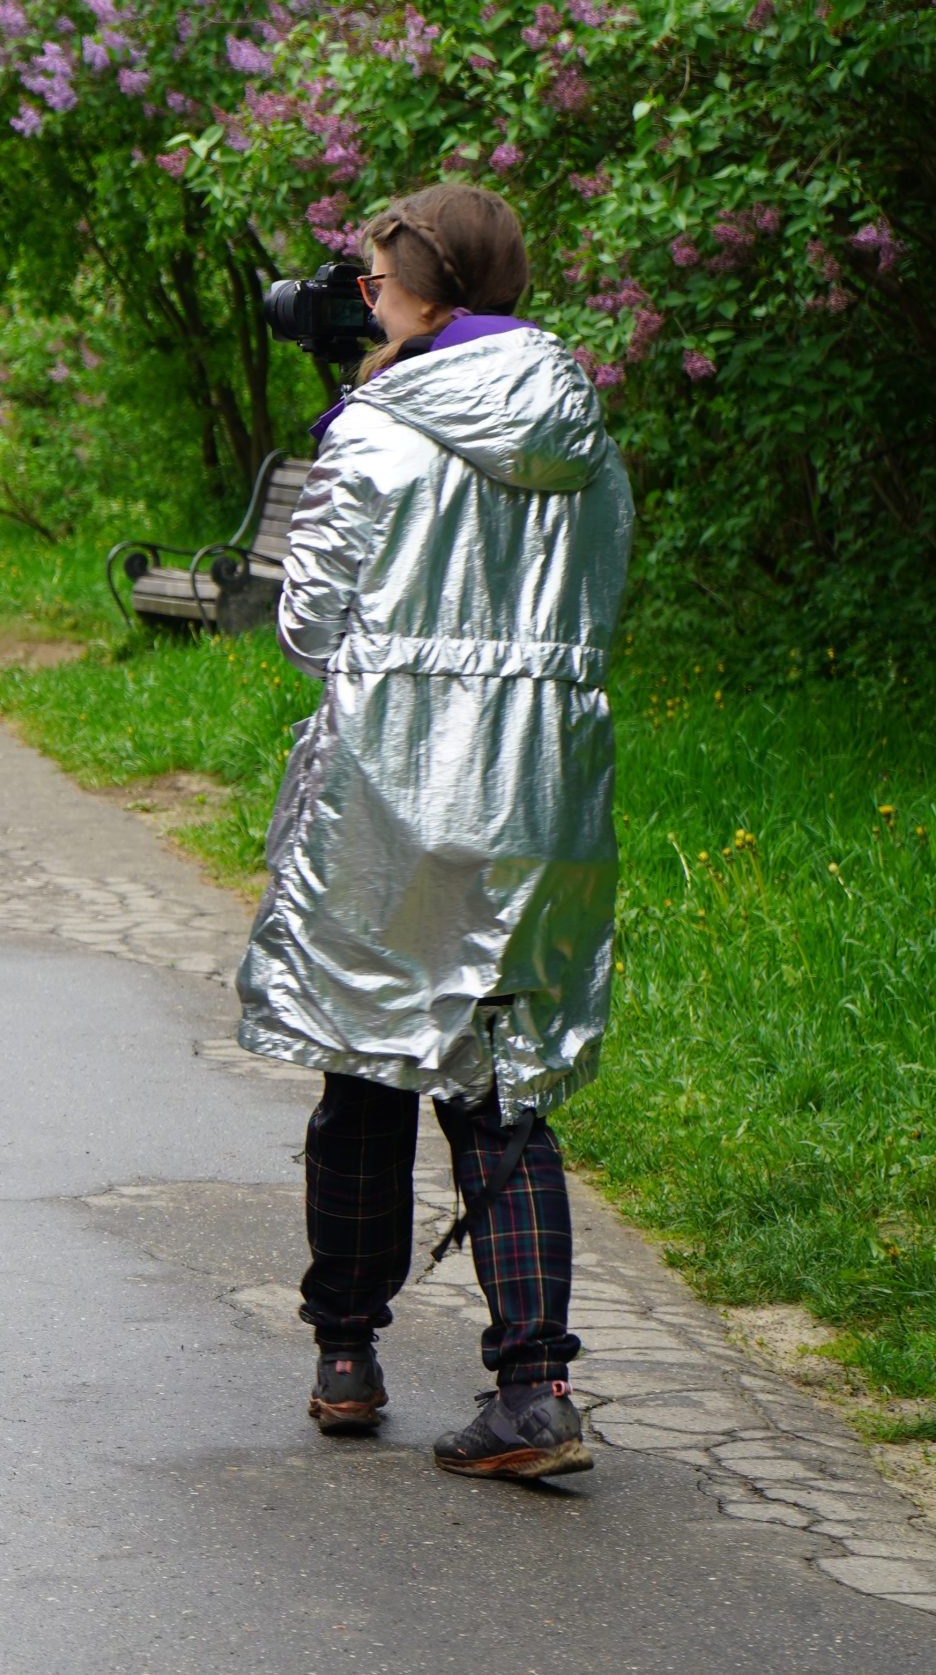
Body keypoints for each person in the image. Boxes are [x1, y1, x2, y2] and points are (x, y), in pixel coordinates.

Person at [237, 183, 633, 1481]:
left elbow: (306, 624)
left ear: (417, 289)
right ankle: (533, 1384)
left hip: (395, 788)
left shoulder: (375, 428)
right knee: (500, 1074)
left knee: (365, 1057)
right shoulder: (583, 422)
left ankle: (346, 1349)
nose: (359, 293)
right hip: (543, 792)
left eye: (372, 274)